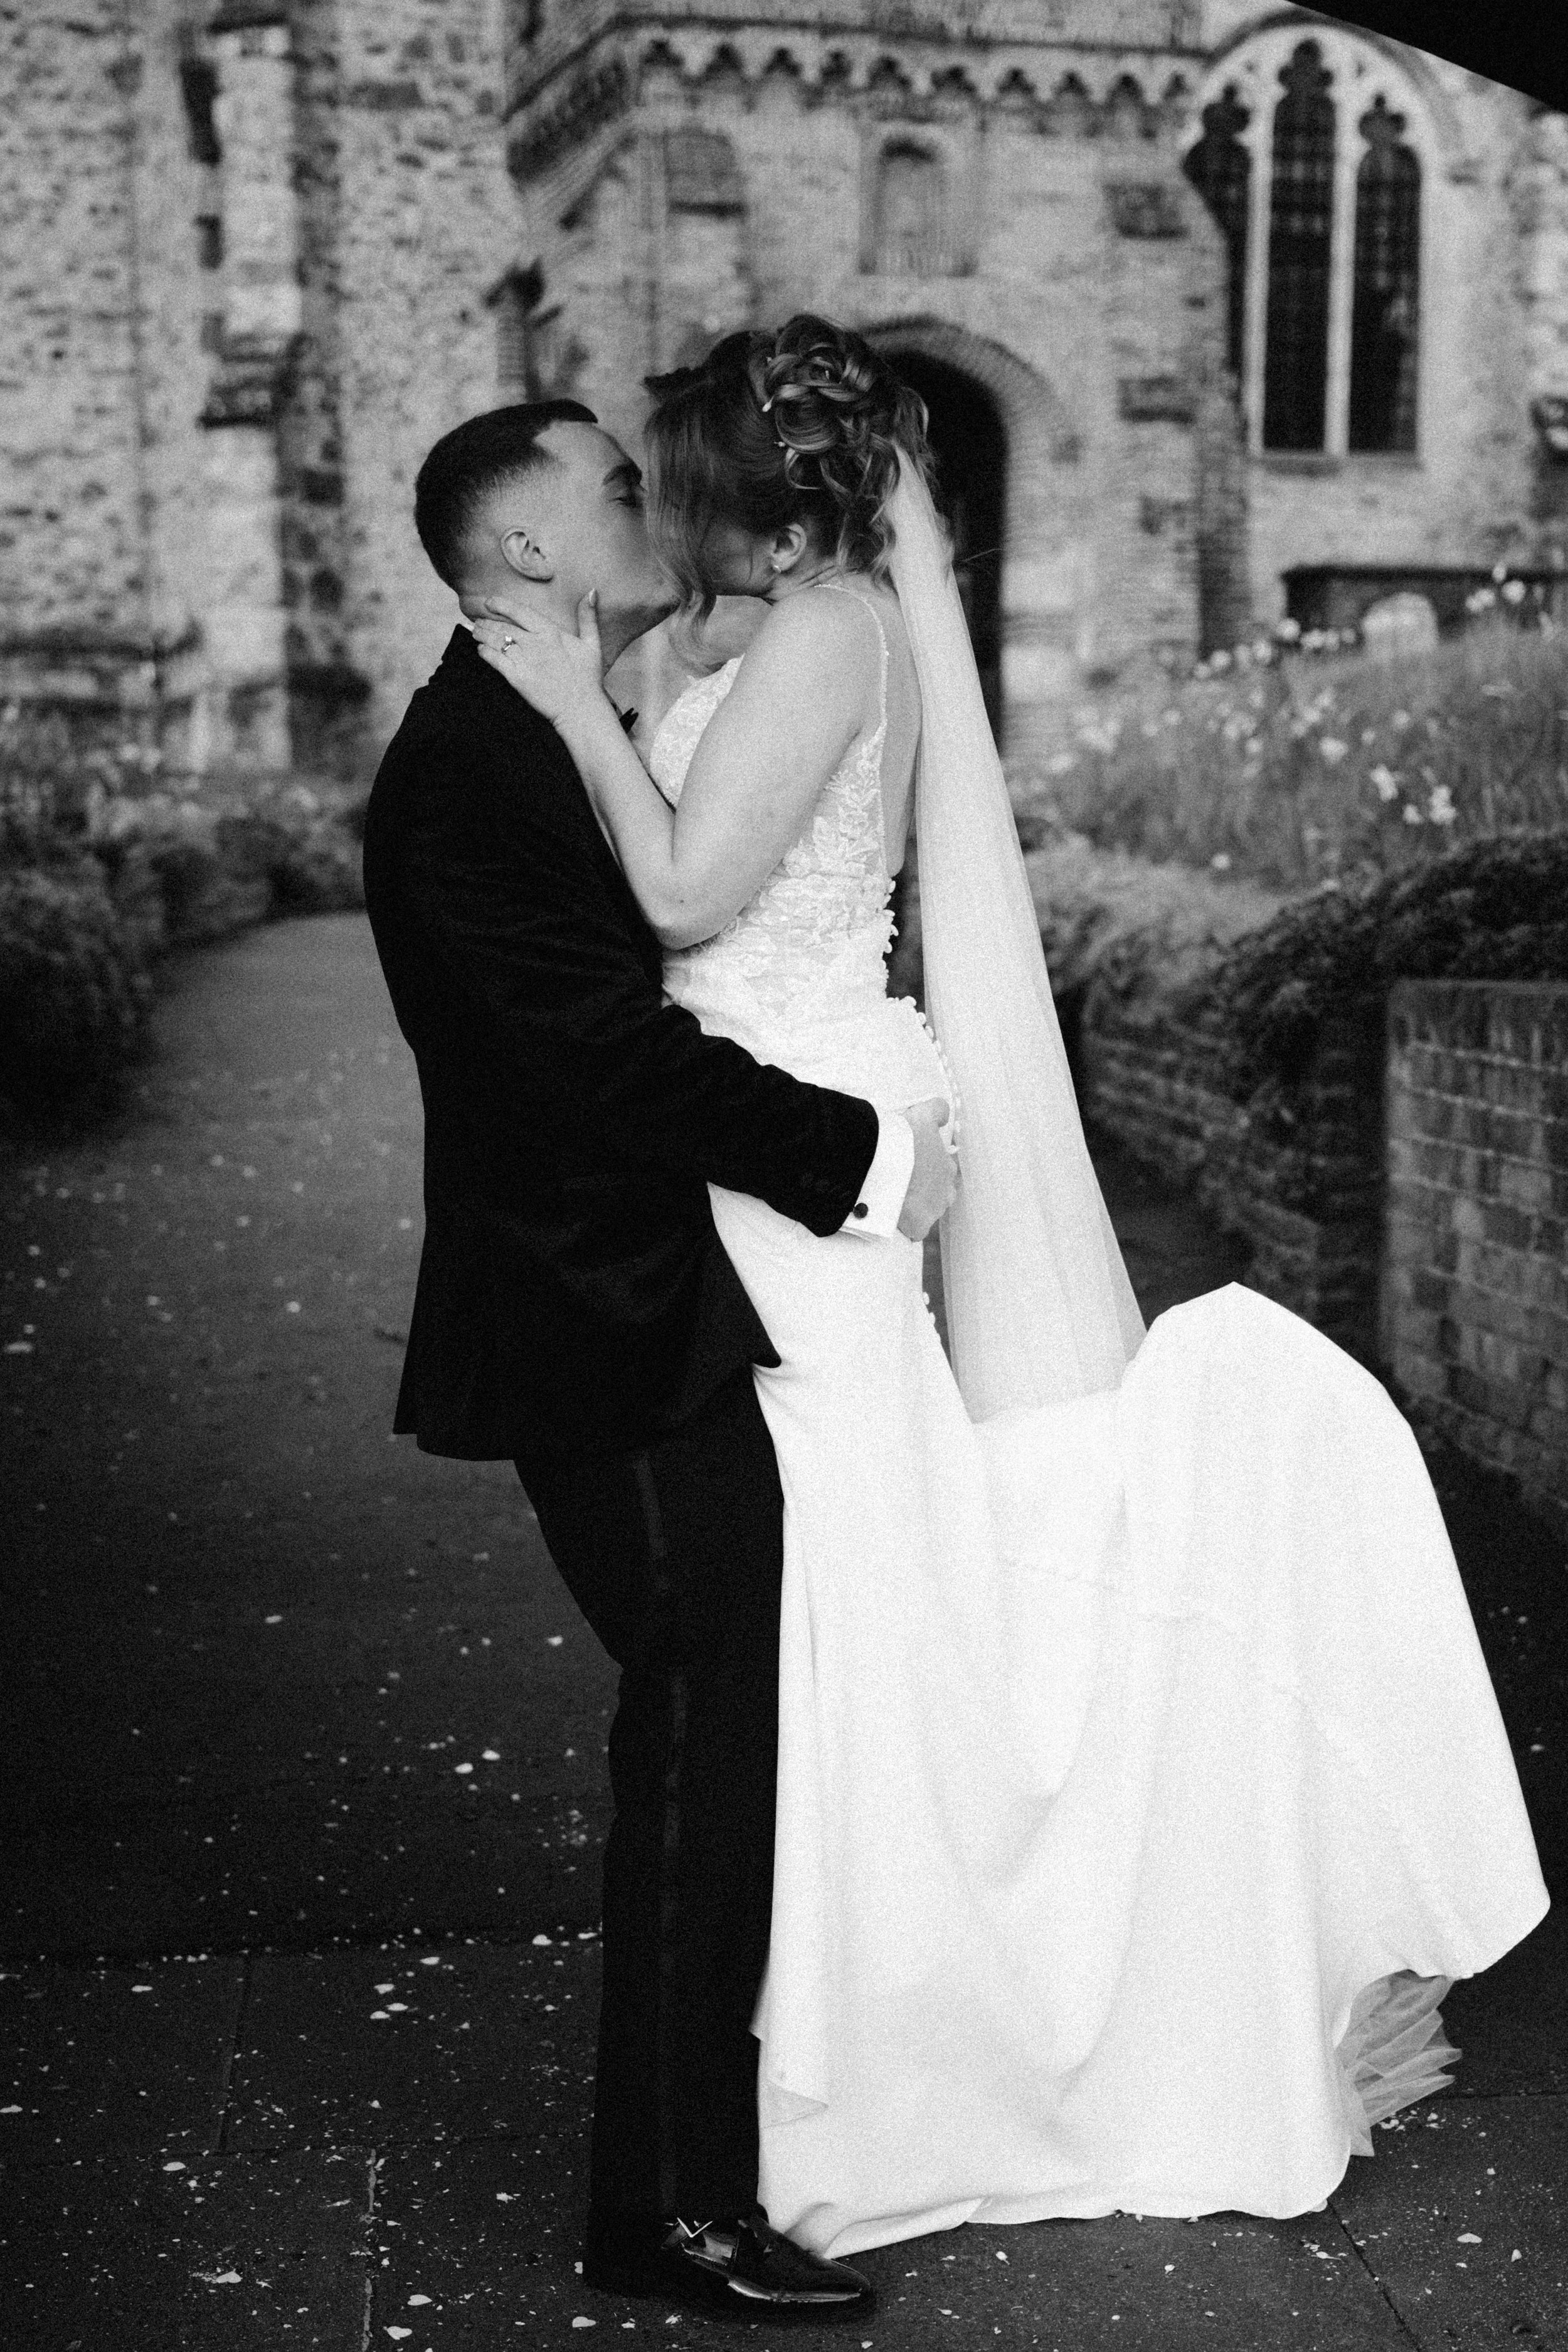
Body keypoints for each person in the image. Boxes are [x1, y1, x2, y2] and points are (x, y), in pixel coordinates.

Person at [470, 314, 1552, 2264]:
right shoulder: (745, 632)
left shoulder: (824, 636)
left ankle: (913, 2045)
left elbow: (687, 900)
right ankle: (807, 2044)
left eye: (663, 467)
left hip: (799, 1150)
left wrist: (564, 704)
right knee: (820, 1603)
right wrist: (611, 676)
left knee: (845, 1601)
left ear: (738, 479)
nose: (646, 496)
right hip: (760, 1138)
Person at [361, 397, 960, 2317]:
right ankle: (676, 2204)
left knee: (713, 1731)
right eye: (610, 482)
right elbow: (590, 1057)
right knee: (701, 1734)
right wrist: (845, 1146)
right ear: (524, 550)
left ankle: (697, 2173)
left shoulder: (555, 714)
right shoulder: (466, 768)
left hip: (644, 1302)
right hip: (591, 1315)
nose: (646, 494)